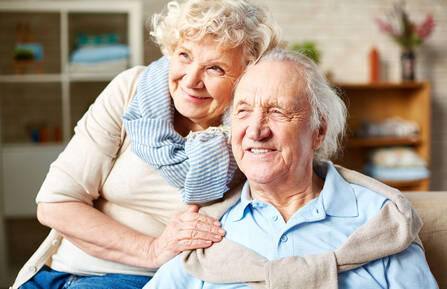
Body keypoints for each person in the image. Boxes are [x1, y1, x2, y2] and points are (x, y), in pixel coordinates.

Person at [12, 1, 281, 288]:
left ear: (247, 77)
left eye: (215, 68)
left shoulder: (253, 135)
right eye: (184, 55)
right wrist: (152, 249)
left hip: (138, 280)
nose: (191, 80)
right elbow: (55, 204)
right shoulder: (133, 90)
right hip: (54, 272)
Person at [145, 49, 439, 288]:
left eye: (277, 112)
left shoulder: (383, 222)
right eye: (243, 111)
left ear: (318, 131)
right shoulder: (207, 232)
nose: (256, 131)